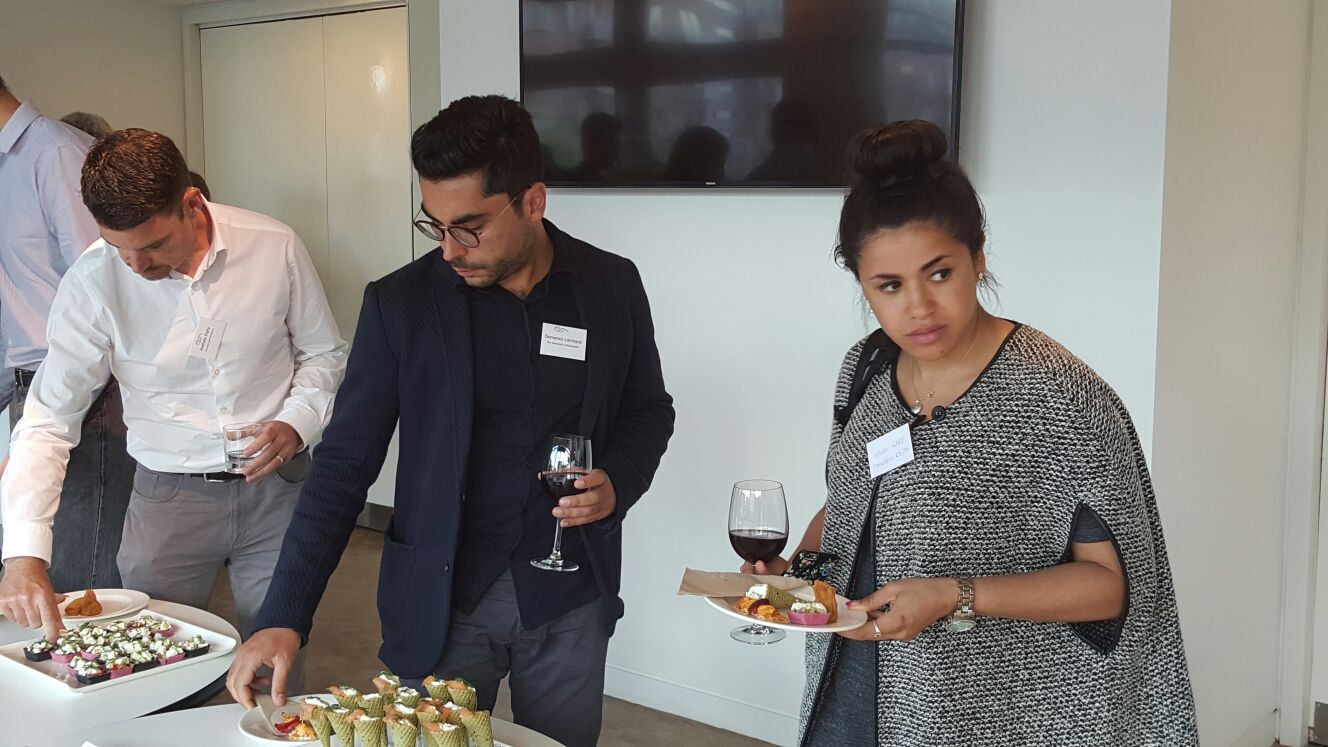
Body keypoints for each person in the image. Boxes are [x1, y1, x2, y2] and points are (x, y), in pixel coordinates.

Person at [227, 95, 675, 747]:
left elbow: (647, 408)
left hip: (570, 593)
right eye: (434, 225)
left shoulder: (610, 285)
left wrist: (619, 482)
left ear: (533, 202)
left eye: (469, 227)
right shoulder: (401, 305)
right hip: (441, 601)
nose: (449, 248)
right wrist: (284, 613)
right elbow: (344, 466)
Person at [745, 120, 1198, 744]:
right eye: (889, 286)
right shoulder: (866, 367)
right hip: (846, 691)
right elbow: (852, 500)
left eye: (939, 274)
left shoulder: (1056, 394)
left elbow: (1113, 588)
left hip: (981, 712)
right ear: (863, 286)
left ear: (977, 259)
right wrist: (791, 578)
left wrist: (954, 595)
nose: (918, 307)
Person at [0, 129, 347, 689]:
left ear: (191, 204)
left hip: (278, 491)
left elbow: (324, 353)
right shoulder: (93, 282)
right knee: (152, 672)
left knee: (275, 667)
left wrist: (298, 420)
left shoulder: (273, 245)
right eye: (120, 248)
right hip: (168, 501)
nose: (136, 265)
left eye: (154, 245)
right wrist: (23, 555)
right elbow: (47, 421)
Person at [0, 74, 135, 594]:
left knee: (82, 576)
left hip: (87, 391)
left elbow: (105, 285)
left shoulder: (57, 154)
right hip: (31, 383)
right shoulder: (11, 163)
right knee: (35, 569)